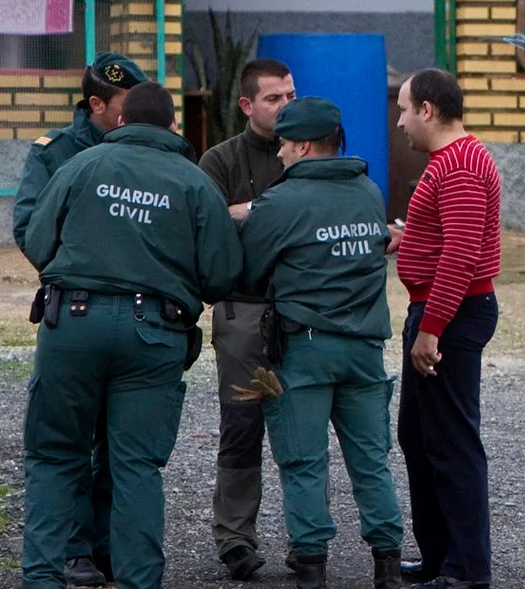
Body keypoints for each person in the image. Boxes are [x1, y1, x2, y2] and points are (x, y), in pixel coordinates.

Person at [19, 82, 241, 589]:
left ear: (119, 122)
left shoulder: (80, 166)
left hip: (71, 323)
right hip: (154, 333)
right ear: (172, 127)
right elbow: (223, 273)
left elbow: (36, 239)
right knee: (136, 465)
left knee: (55, 454)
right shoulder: (195, 183)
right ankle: (140, 581)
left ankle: (42, 579)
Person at [237, 96, 403, 589]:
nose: (280, 154)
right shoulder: (369, 192)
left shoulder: (281, 201)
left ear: (305, 144)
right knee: (371, 461)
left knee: (303, 461)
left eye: (285, 144)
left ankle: (311, 566)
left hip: (305, 349)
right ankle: (388, 566)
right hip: (365, 348)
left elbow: (249, 269)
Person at [10, 50, 147, 588]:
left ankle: (109, 545)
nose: (133, 116)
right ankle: (72, 549)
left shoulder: (146, 151)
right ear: (96, 105)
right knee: (68, 437)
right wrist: (81, 270)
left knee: (120, 440)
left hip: (137, 314)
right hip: (78, 308)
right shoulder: (55, 153)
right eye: (123, 106)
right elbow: (29, 225)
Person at [393, 68, 502, 589]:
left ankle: (465, 569)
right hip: (441, 309)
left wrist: (431, 329)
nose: (400, 122)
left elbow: (461, 253)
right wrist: (406, 239)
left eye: (404, 109)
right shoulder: (454, 161)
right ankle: (439, 556)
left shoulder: (457, 165)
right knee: (417, 436)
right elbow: (448, 235)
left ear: (428, 110)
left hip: (450, 314)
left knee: (451, 443)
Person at [197, 57, 296, 580]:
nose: (285, 106)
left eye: (290, 96)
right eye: (274, 98)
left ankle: (308, 539)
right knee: (241, 426)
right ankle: (235, 538)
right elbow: (207, 227)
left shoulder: (309, 150)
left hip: (303, 313)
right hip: (242, 312)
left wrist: (247, 212)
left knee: (302, 426)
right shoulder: (219, 160)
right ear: (246, 105)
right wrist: (270, 211)